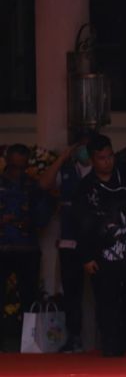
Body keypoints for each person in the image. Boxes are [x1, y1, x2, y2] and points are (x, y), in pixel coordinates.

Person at [74, 134, 126, 357]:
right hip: (102, 254)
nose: (107, 161)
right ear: (92, 159)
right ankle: (112, 346)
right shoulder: (86, 188)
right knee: (107, 301)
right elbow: (80, 223)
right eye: (101, 158)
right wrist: (86, 257)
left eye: (110, 156)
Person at [38, 132, 93, 353]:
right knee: (72, 292)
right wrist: (63, 158)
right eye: (81, 147)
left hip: (98, 242)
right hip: (70, 241)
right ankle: (74, 337)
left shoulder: (103, 172)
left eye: (88, 147)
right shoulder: (68, 172)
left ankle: (112, 336)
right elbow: (43, 184)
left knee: (106, 291)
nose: (84, 152)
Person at [0, 144, 52, 345]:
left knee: (29, 296)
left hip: (27, 249)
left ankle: (29, 342)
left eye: (22, 167)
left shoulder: (33, 186)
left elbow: (43, 217)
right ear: (7, 161)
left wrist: (29, 221)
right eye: (14, 167)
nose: (17, 172)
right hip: (2, 247)